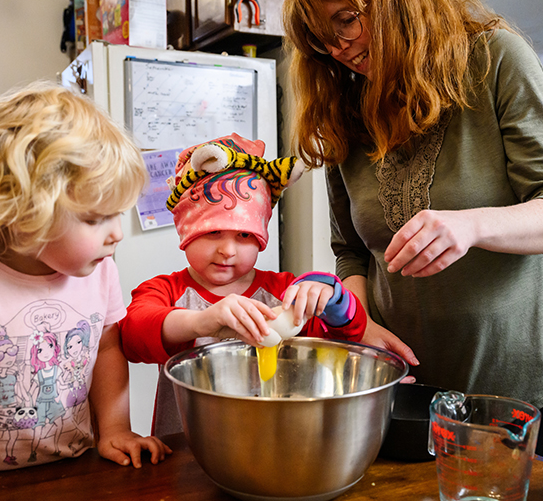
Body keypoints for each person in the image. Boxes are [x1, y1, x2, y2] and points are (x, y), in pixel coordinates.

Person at [282, 0, 543, 472]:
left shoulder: (495, 59)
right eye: (322, 43)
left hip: (522, 392)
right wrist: (360, 328)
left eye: (346, 21)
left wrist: (472, 225)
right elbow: (351, 251)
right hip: (406, 397)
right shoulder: (345, 106)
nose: (339, 48)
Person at [0, 83, 171, 493]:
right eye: (95, 218)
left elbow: (107, 346)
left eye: (118, 215)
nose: (117, 234)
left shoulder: (99, 268)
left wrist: (115, 428)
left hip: (72, 470)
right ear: (21, 212)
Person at [119, 134, 367, 436]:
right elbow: (132, 336)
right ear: (185, 232)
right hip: (186, 446)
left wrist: (333, 298)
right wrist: (201, 322)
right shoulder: (165, 292)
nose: (228, 250)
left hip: (269, 443)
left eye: (245, 236)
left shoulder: (284, 291)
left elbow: (347, 336)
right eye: (213, 233)